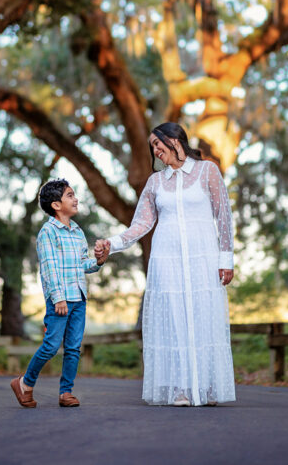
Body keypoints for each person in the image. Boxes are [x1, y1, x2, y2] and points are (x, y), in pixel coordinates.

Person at [95, 122, 235, 407]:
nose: (155, 150)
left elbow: (223, 216)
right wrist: (112, 243)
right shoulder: (155, 182)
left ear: (174, 140)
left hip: (203, 258)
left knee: (203, 316)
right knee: (175, 320)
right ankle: (182, 389)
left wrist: (226, 259)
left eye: (158, 144)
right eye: (153, 147)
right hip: (166, 260)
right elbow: (141, 224)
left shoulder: (207, 171)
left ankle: (205, 388)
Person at [11, 178, 109, 408]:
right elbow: (49, 267)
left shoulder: (77, 231)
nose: (76, 199)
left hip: (79, 298)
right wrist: (59, 297)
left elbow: (82, 264)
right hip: (60, 300)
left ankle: (66, 393)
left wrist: (99, 261)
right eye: (70, 195)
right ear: (56, 204)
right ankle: (25, 382)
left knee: (73, 348)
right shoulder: (48, 232)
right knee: (51, 345)